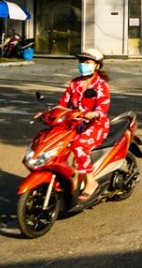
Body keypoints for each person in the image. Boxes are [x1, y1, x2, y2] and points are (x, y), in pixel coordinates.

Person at [55, 48, 111, 201]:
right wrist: (48, 113)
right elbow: (63, 103)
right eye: (81, 61)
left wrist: (94, 113)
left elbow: (103, 107)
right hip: (76, 123)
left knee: (78, 146)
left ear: (97, 66)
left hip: (96, 125)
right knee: (56, 141)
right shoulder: (74, 83)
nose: (83, 65)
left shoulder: (101, 85)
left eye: (87, 62)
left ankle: (91, 182)